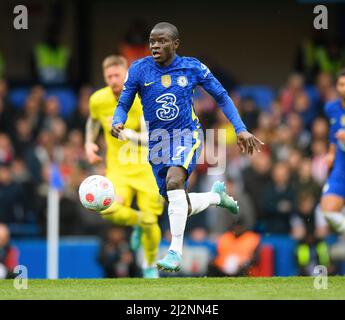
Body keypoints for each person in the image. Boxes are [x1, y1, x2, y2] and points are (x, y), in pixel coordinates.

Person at [111, 22, 263, 272]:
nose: (155, 46)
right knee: (177, 201)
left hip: (186, 136)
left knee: (174, 183)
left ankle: (174, 252)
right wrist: (118, 121)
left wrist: (240, 128)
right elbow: (124, 101)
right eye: (152, 41)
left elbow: (222, 96)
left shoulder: (192, 67)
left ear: (175, 44)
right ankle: (216, 197)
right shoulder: (139, 69)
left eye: (161, 41)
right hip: (157, 142)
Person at [85, 55, 164, 278]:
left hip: (147, 167)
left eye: (116, 75)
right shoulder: (98, 100)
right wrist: (89, 143)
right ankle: (138, 221)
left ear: (126, 74)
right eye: (108, 76)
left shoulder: (141, 98)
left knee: (153, 222)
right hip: (118, 169)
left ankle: (150, 264)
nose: (113, 80)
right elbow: (92, 120)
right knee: (108, 209)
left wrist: (129, 136)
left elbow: (152, 137)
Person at [320, 69, 345, 234]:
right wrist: (330, 153)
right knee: (327, 211)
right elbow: (333, 131)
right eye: (342, 84)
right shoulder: (331, 108)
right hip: (341, 168)